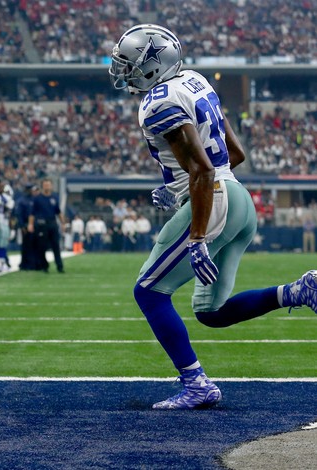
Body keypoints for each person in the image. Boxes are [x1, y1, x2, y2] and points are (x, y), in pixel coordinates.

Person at [109, 24, 317, 410]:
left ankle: (197, 384)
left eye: (130, 63)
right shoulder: (193, 81)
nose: (122, 71)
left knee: (149, 293)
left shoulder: (157, 102)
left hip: (215, 200)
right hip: (239, 198)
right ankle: (297, 292)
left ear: (152, 65)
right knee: (212, 312)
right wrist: (177, 186)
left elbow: (203, 171)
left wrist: (197, 236)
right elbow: (233, 153)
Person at [27, 178, 65, 273]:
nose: (47, 187)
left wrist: (63, 223)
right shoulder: (37, 199)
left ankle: (59, 266)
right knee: (41, 246)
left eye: (48, 185)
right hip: (41, 224)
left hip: (52, 223)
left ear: (51, 186)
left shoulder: (54, 198)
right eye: (45, 185)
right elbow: (32, 213)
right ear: (42, 186)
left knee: (56, 246)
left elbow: (58, 212)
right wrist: (30, 224)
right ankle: (44, 266)